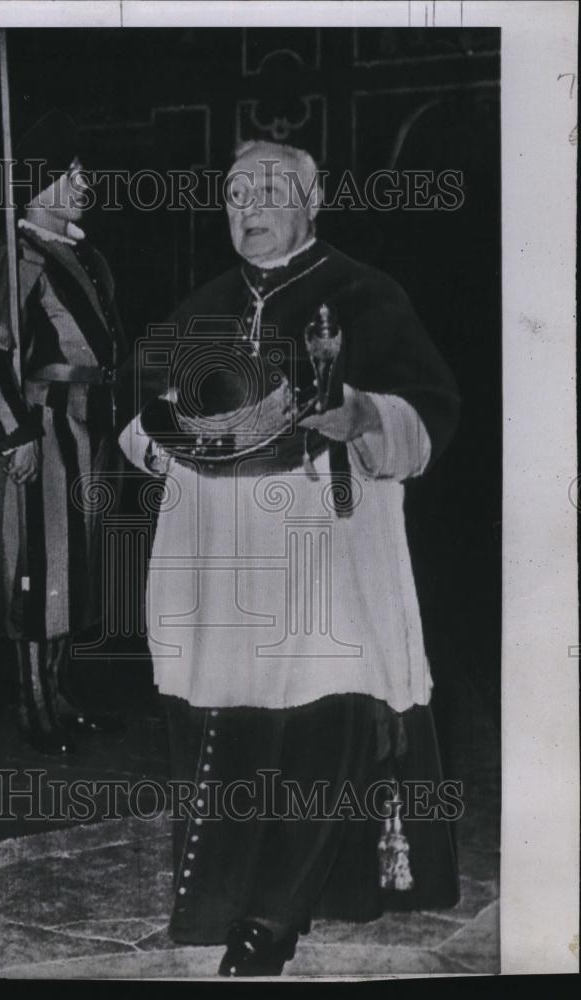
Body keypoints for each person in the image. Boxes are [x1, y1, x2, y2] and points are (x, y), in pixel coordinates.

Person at [117, 140, 461, 976]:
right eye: (235, 193)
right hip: (223, 551)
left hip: (329, 540)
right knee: (238, 722)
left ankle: (273, 919)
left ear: (314, 200)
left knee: (329, 710)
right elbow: (140, 425)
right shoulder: (200, 304)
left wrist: (367, 416)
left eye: (270, 189)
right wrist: (166, 439)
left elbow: (433, 409)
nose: (249, 206)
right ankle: (245, 895)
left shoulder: (367, 294)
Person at [0, 110, 128, 756]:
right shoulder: (13, 253)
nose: (84, 186)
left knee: (74, 570)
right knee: (38, 568)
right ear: (37, 184)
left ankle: (58, 691)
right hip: (42, 426)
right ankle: (31, 706)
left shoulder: (84, 258)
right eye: (72, 175)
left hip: (89, 425)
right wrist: (14, 433)